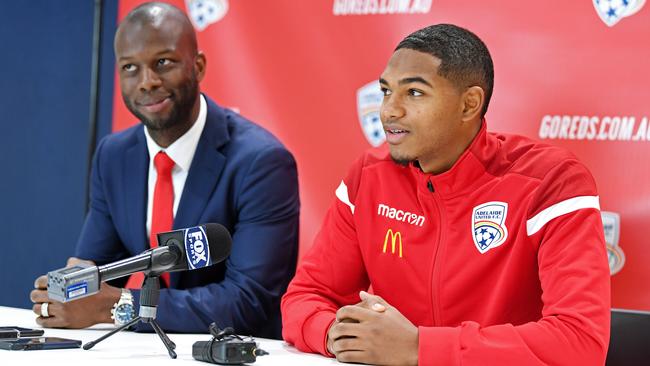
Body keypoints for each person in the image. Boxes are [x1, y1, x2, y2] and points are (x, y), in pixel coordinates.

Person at [281, 24, 610, 365]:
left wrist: (419, 348)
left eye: (414, 93)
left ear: (469, 104)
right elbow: (307, 295)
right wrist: (335, 334)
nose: (389, 111)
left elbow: (580, 342)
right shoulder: (369, 176)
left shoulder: (551, 180)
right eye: (385, 91)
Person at [30, 2, 299, 339]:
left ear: (198, 66)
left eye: (163, 63)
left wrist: (116, 305)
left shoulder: (261, 163)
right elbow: (96, 271)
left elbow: (249, 301)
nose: (147, 82)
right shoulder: (114, 156)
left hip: (235, 351)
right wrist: (64, 291)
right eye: (130, 67)